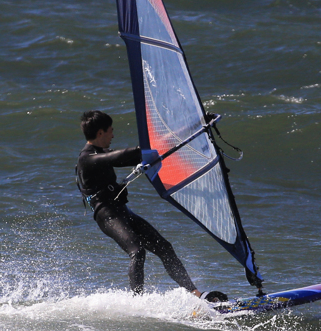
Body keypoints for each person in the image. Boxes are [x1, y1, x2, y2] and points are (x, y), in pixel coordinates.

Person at [76, 110, 224, 301]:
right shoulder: (87, 159)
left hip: (121, 211)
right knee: (137, 251)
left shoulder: (101, 153)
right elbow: (124, 156)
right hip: (107, 214)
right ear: (100, 133)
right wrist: (145, 152)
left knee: (164, 247)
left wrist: (194, 127)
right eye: (111, 131)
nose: (113, 135)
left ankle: (197, 295)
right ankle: (138, 303)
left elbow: (142, 152)